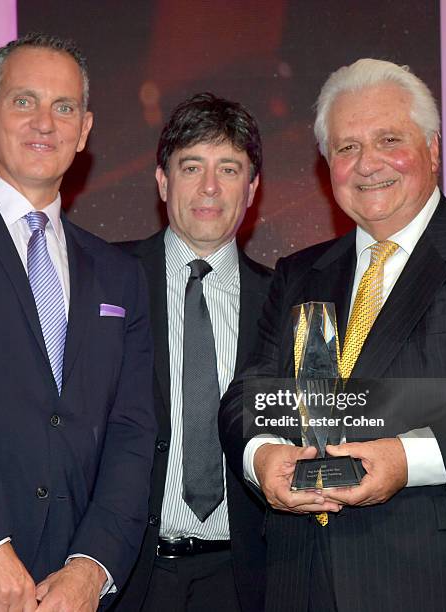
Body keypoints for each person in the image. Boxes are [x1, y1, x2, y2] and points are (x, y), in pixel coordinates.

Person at [219, 59, 446, 612]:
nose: (367, 164)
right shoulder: (298, 272)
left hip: (437, 584)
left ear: (433, 150)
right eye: (346, 148)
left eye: (389, 139)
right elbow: (245, 399)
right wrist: (262, 456)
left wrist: (404, 460)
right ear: (327, 167)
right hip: (301, 581)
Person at [0, 33, 156, 612]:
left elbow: (132, 435)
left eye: (64, 107)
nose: (45, 122)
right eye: (23, 101)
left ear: (85, 129)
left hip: (72, 595)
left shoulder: (119, 275)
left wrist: (93, 569)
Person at [111, 93, 272, 612]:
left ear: (252, 189)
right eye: (191, 166)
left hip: (247, 578)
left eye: (228, 168)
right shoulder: (102, 278)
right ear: (162, 181)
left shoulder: (286, 300)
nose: (209, 187)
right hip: (126, 573)